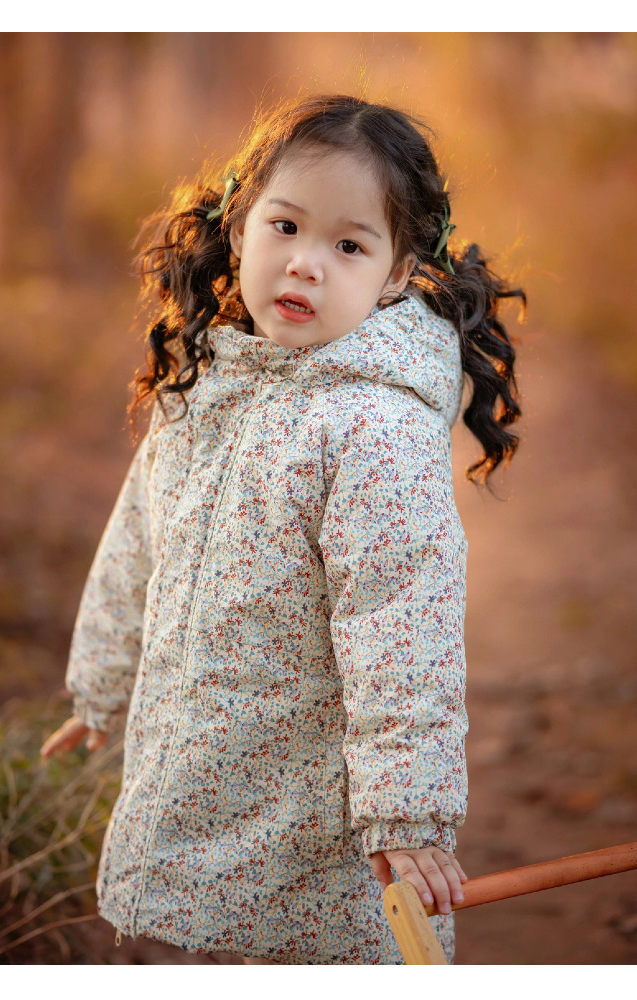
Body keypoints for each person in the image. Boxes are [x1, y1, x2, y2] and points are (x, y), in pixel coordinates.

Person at [40, 94, 525, 965]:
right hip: (199, 776)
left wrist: (408, 815)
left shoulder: (372, 429)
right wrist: (100, 683)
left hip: (319, 816)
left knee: (313, 946)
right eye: (287, 226)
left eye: (349, 246)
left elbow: (401, 626)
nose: (306, 264)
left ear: (395, 274)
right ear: (239, 228)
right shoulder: (208, 389)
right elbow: (138, 542)